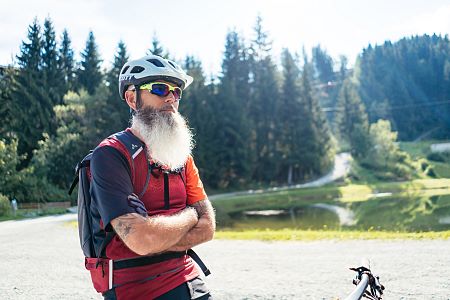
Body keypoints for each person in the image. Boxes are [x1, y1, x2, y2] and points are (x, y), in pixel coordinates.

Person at [89, 55, 215, 299]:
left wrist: (156, 236)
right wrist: (190, 215)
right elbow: (142, 239)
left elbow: (208, 228)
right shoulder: (111, 155)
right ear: (132, 98)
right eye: (159, 88)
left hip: (187, 276)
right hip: (134, 287)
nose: (171, 97)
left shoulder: (181, 156)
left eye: (176, 92)